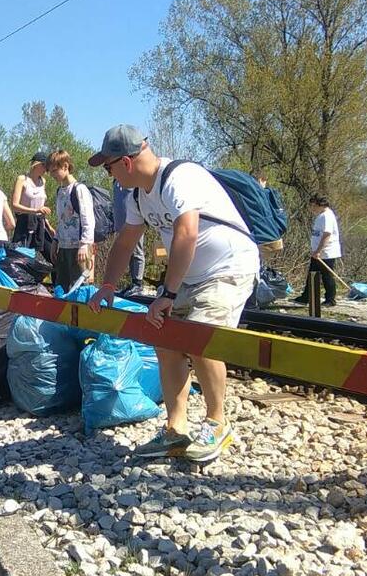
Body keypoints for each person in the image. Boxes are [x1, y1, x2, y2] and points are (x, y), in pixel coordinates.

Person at [87, 124, 259, 462]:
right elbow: (125, 242)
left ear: (125, 162)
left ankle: (217, 423)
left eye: (108, 167)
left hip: (229, 267)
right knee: (164, 340)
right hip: (190, 276)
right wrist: (106, 285)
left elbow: (187, 233)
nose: (109, 175)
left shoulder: (179, 177)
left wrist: (166, 294)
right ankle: (176, 429)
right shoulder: (138, 195)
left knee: (200, 337)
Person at [48, 149, 95, 290]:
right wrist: (55, 241)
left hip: (78, 248)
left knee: (79, 287)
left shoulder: (79, 189)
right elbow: (61, 220)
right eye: (50, 172)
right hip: (64, 247)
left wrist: (84, 245)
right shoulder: (60, 191)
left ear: (66, 166)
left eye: (55, 170)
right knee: (62, 287)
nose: (52, 175)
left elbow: (88, 219)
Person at [292, 194, 341, 307]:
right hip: (318, 252)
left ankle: (330, 299)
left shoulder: (327, 216)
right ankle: (306, 297)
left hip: (326, 252)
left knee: (326, 276)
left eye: (313, 205)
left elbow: (327, 234)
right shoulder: (321, 215)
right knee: (312, 274)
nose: (312, 208)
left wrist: (319, 250)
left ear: (320, 204)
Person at [11, 151, 53, 254]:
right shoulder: (22, 179)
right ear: (36, 165)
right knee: (22, 255)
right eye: (44, 165)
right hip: (25, 222)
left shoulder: (43, 181)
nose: (45, 169)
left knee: (52, 254)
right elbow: (14, 205)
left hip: (40, 222)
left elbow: (41, 207)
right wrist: (34, 210)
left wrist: (49, 226)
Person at [112, 180, 146, 297]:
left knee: (137, 252)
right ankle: (132, 282)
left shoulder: (132, 180)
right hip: (121, 225)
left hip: (134, 224)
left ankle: (138, 283)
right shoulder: (116, 181)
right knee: (127, 254)